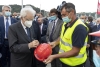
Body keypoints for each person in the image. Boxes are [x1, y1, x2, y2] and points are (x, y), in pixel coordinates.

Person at [44, 2, 88, 67]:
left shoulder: (79, 28)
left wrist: (54, 56)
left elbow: (75, 51)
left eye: (64, 15)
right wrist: (55, 43)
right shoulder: (65, 23)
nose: (62, 17)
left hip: (74, 64)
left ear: (72, 12)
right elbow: (62, 37)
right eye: (61, 15)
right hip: (65, 61)